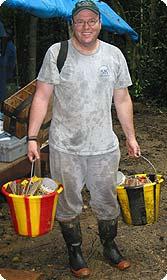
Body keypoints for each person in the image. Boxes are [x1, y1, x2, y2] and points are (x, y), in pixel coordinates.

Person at [27, 0, 141, 278]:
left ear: (100, 24)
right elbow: (42, 96)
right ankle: (75, 251)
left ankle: (110, 246)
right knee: (67, 202)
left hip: (103, 146)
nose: (86, 26)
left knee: (106, 199)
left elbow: (122, 99)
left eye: (92, 21)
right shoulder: (57, 53)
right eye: (80, 21)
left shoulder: (114, 55)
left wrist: (131, 137)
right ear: (72, 24)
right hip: (65, 145)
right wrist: (32, 137)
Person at [0, 22, 16, 134]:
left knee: (2, 87)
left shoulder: (9, 46)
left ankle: (2, 111)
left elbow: (4, 38)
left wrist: (2, 53)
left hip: (2, 58)